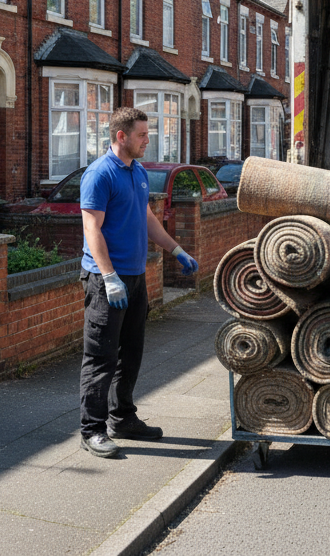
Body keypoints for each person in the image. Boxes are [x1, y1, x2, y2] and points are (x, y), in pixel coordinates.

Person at [79, 106, 200, 458]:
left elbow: (146, 217)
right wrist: (109, 276)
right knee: (101, 357)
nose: (149, 140)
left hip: (134, 279)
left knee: (130, 354)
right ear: (122, 136)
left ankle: (122, 418)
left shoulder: (139, 171)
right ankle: (92, 430)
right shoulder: (100, 174)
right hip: (107, 282)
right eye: (143, 135)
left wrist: (176, 249)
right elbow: (92, 228)